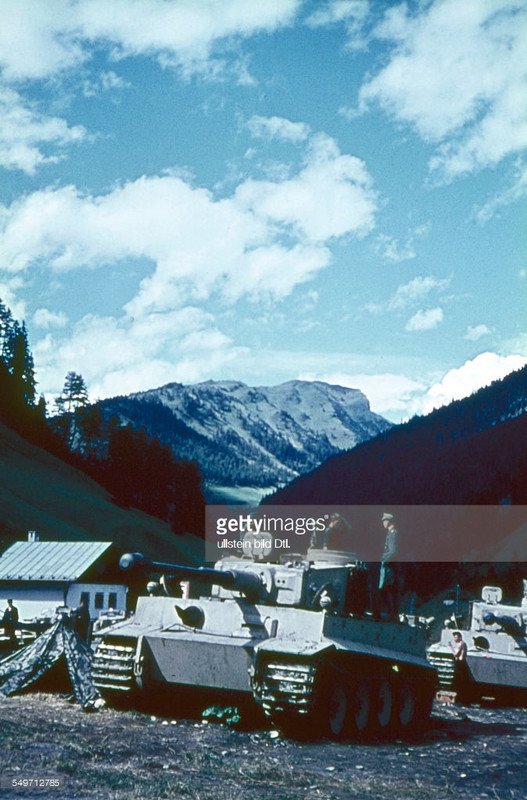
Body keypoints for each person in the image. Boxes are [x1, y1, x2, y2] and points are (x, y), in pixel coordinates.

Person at [378, 512, 399, 618]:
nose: (383, 523)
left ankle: (391, 612)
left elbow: (393, 551)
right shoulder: (391, 533)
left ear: (389, 521)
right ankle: (391, 612)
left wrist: (383, 559)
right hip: (389, 565)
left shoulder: (393, 533)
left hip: (389, 566)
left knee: (385, 588)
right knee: (386, 589)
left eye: (384, 521)